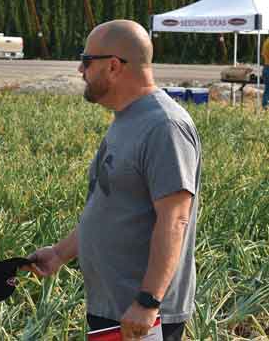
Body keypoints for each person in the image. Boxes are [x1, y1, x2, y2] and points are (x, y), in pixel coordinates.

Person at [26, 20, 202, 341]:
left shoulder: (164, 126)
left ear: (113, 66)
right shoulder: (127, 119)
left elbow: (175, 219)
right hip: (114, 307)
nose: (80, 69)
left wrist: (148, 301)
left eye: (86, 60)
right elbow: (111, 206)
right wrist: (59, 254)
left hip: (142, 315)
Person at [261, 37, 269, 108]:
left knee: (267, 89)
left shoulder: (266, 41)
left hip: (266, 66)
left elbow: (263, 54)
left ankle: (265, 105)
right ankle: (265, 106)